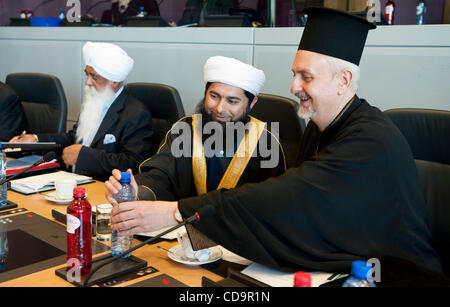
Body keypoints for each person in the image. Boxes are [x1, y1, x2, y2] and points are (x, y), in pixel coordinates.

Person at [107, 8, 443, 275]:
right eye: (294, 74)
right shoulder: (320, 127)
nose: (294, 87)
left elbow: (284, 197)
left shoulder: (370, 139)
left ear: (344, 80)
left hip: (395, 275)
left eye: (306, 77)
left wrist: (178, 213)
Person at [105, 55, 286, 218]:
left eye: (232, 101)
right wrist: (137, 191)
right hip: (181, 234)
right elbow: (161, 174)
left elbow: (272, 203)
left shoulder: (265, 141)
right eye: (214, 96)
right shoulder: (186, 129)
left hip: (239, 239)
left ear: (251, 103)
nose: (220, 108)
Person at [10, 42, 153, 181]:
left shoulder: (136, 114)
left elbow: (133, 163)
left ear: (114, 81)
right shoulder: (95, 101)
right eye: (87, 75)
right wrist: (36, 140)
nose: (87, 82)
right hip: (71, 180)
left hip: (102, 188)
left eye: (94, 77)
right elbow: (74, 139)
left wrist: (83, 156)